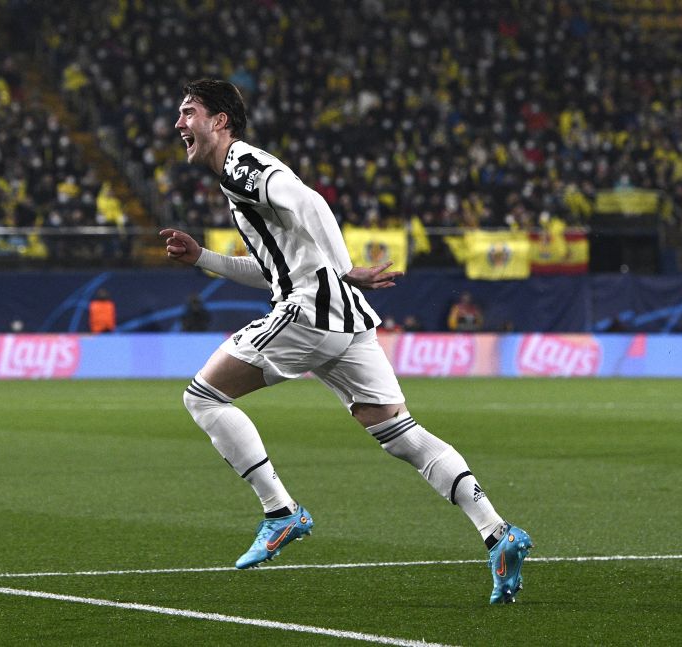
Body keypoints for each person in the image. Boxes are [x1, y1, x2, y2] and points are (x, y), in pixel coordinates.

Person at [160, 79, 531, 604]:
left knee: (202, 396)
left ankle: (280, 512)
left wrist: (343, 267)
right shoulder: (237, 176)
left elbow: (311, 204)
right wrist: (204, 259)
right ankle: (498, 532)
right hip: (342, 319)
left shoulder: (243, 164)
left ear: (219, 121)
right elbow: (272, 269)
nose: (179, 124)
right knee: (402, 436)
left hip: (309, 311)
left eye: (188, 112)